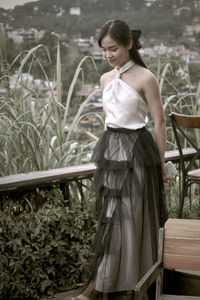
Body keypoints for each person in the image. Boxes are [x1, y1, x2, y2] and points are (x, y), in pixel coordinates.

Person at [72, 19, 168, 300]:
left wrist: (161, 162)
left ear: (129, 44)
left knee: (132, 216)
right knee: (110, 217)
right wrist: (106, 154)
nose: (108, 55)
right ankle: (102, 283)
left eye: (113, 48)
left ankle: (132, 284)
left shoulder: (145, 78)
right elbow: (108, 120)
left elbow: (159, 123)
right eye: (103, 51)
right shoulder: (105, 79)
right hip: (111, 150)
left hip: (137, 152)